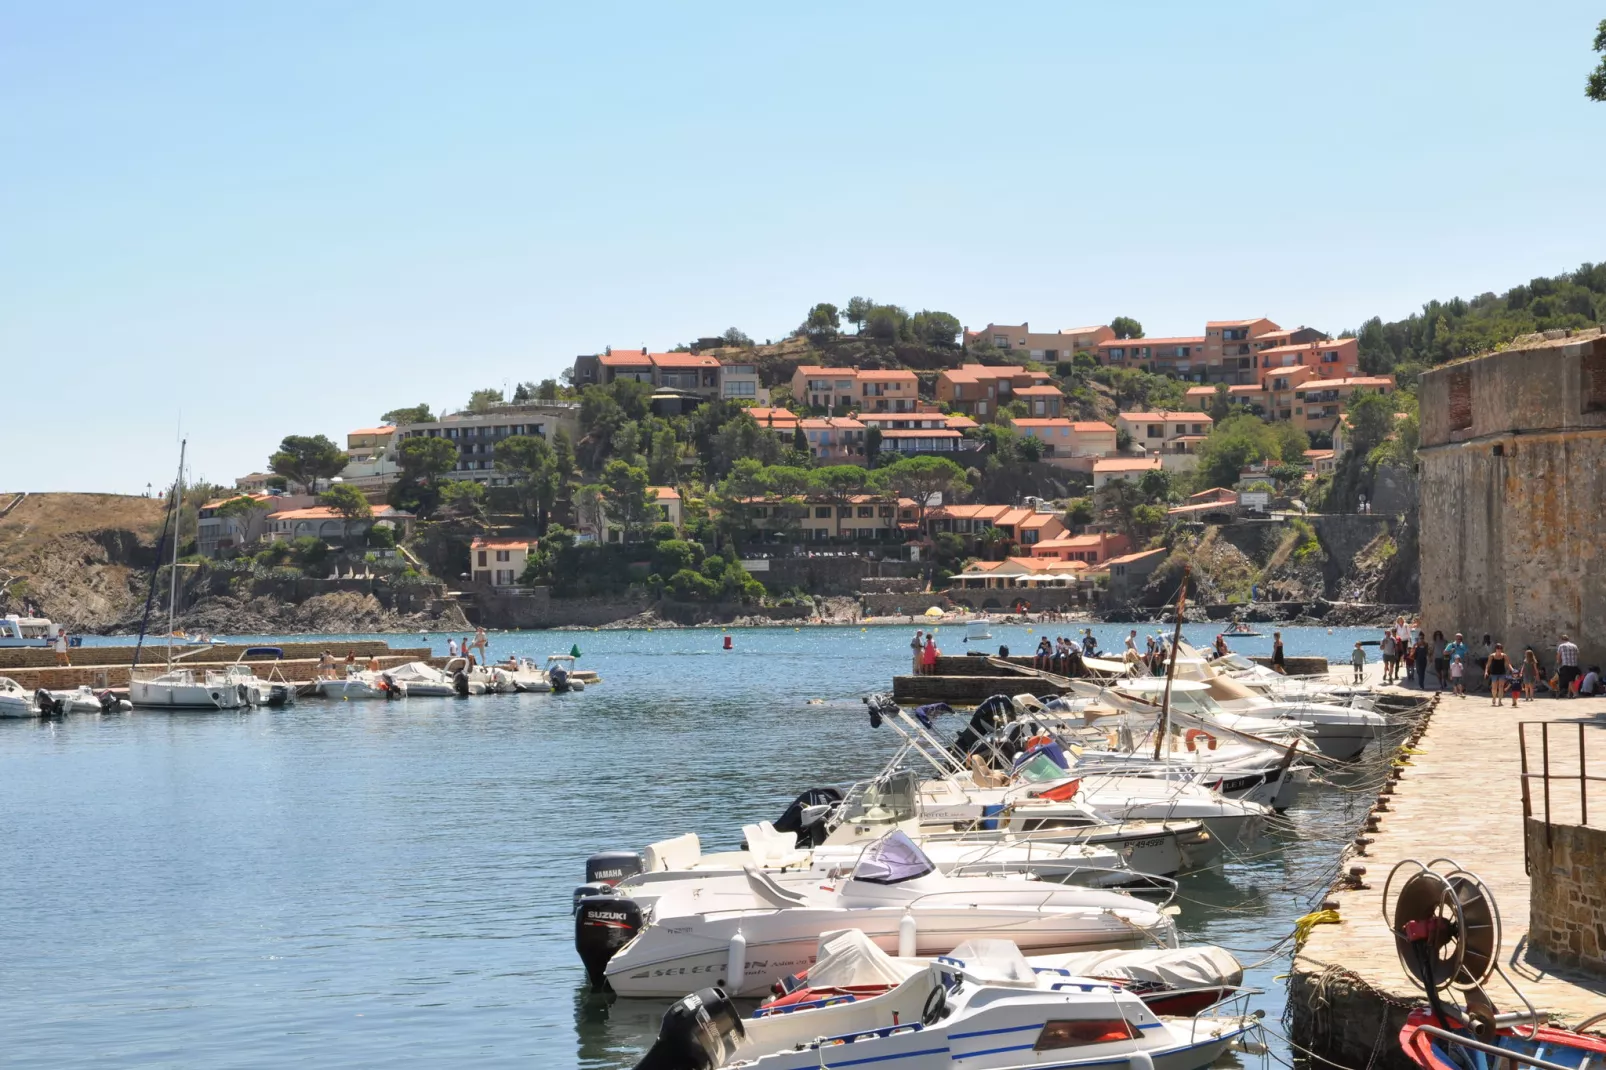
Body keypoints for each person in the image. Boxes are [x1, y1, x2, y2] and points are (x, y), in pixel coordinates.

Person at [1556, 634, 1580, 699]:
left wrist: (1558, 663)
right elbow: (1578, 656)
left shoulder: (1561, 646)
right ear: (1568, 639)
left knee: (1569, 680)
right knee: (1571, 679)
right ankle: (1569, 694)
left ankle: (1575, 693)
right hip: (1574, 665)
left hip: (1566, 665)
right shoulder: (1574, 646)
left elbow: (1558, 657)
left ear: (1562, 640)